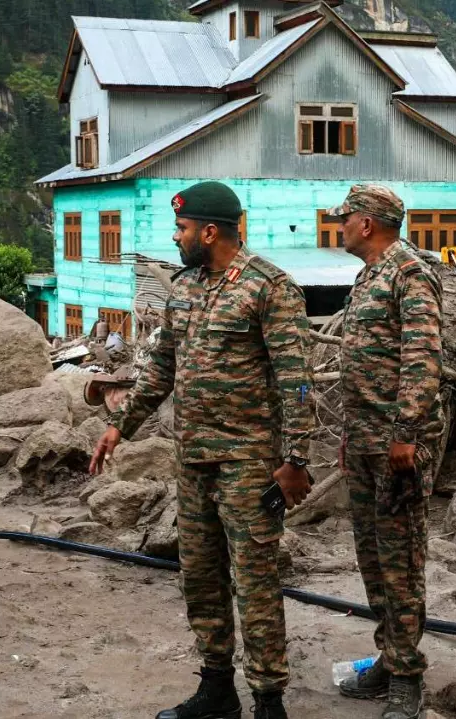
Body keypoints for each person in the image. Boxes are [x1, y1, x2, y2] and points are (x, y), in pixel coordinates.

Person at [89, 181, 314, 719]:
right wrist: (121, 425)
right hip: (192, 462)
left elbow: (297, 380)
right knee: (200, 578)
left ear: (211, 231)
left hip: (246, 463)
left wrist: (297, 459)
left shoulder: (269, 288)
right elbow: (160, 368)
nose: (177, 236)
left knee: (255, 582)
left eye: (184, 229)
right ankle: (217, 690)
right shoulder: (184, 288)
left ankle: (268, 701)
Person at [329, 185, 442, 719]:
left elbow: (421, 358)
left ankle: (405, 677)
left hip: (397, 443)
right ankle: (388, 654)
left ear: (369, 223)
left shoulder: (409, 272)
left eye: (345, 219)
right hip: (366, 440)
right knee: (372, 558)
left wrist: (406, 432)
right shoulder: (370, 274)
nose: (340, 226)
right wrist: (352, 435)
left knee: (399, 560)